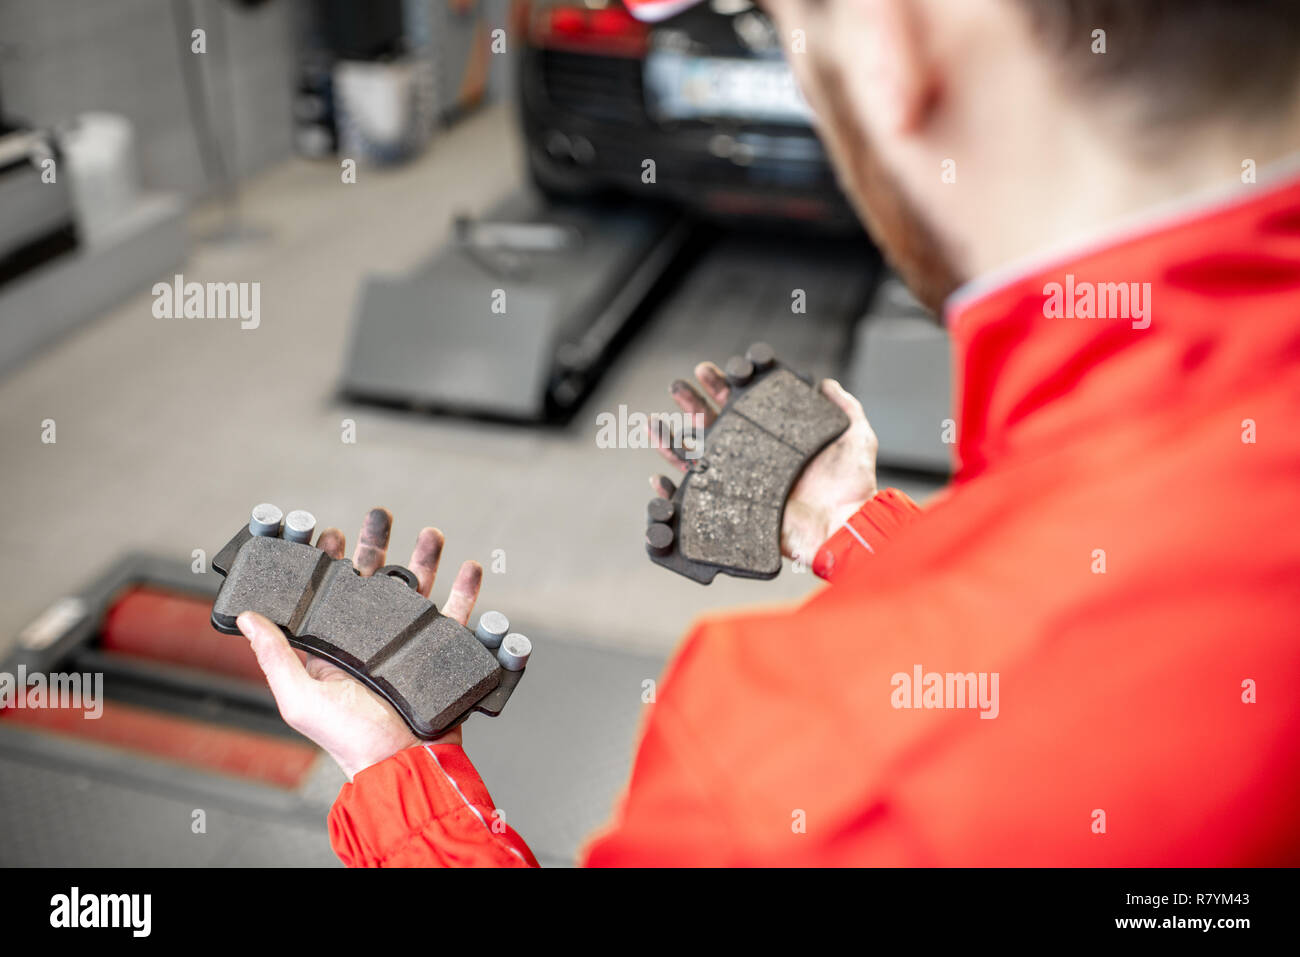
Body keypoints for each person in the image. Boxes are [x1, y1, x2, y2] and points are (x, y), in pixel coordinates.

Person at [235, 0, 1300, 865]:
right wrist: (864, 534)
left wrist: (399, 787)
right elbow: (1108, 672)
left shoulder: (802, 774)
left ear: (896, 41)